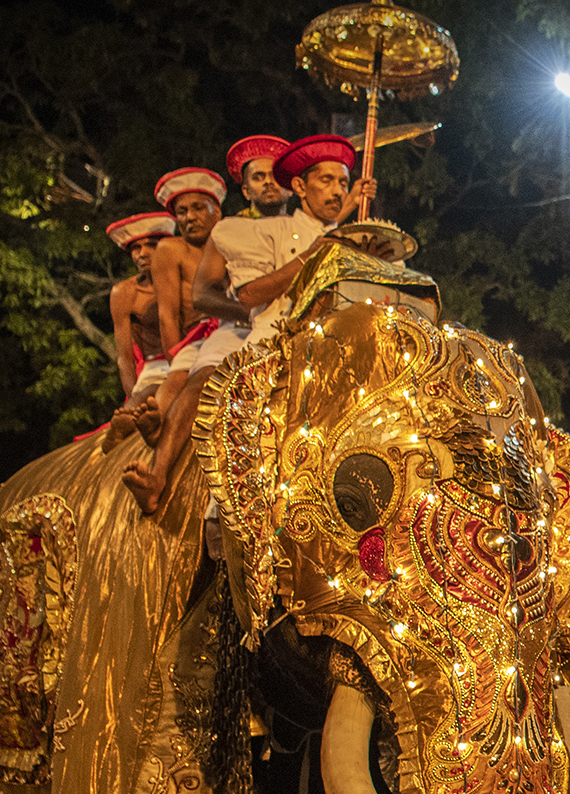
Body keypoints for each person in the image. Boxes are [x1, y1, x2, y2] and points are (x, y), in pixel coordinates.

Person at [124, 136, 371, 515]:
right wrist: (267, 306)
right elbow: (225, 297)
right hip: (246, 327)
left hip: (319, 335)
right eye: (259, 178)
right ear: (247, 187)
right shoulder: (238, 231)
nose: (270, 183)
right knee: (207, 375)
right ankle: (168, 476)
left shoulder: (330, 229)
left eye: (341, 183)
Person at [128, 168, 230, 451]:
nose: (189, 217)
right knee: (179, 378)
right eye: (182, 211)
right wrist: (175, 359)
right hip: (195, 339)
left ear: (217, 210)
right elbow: (167, 314)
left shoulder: (232, 238)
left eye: (198, 207)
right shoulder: (171, 249)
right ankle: (156, 421)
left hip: (235, 330)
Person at [97, 211, 176, 448]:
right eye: (135, 248)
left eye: (151, 245)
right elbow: (125, 357)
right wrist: (133, 398)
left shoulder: (185, 281)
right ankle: (131, 418)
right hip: (154, 368)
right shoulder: (124, 293)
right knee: (152, 390)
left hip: (191, 360)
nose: (142, 253)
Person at [226, 134, 293, 219]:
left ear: (290, 187)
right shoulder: (230, 229)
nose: (268, 181)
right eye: (257, 178)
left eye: (275, 176)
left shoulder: (304, 229)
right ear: (246, 191)